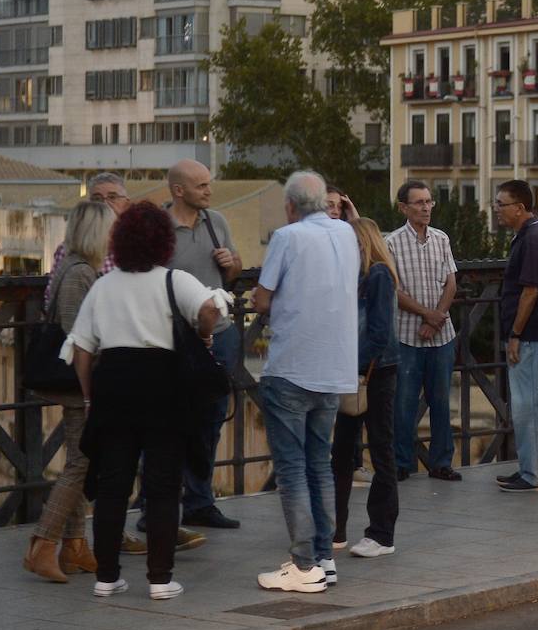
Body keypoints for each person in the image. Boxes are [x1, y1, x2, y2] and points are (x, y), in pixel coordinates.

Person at [63, 201, 223, 600]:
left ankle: (107, 576)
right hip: (162, 385)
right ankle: (160, 578)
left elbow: (82, 351)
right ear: (164, 242)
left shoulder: (104, 285)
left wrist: (88, 396)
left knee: (113, 482)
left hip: (114, 384)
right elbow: (209, 309)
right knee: (164, 482)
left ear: (120, 241)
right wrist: (203, 336)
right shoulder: (174, 281)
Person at [253, 170, 359, 593]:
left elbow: (262, 296)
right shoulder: (347, 235)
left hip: (291, 366)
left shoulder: (287, 237)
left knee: (293, 468)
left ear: (291, 206)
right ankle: (325, 558)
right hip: (333, 368)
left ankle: (302, 564)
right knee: (321, 465)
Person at [24, 201, 114, 584]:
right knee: (81, 463)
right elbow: (81, 336)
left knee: (81, 458)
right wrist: (93, 391)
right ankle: (43, 543)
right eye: (110, 228)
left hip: (78, 383)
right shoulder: (80, 273)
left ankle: (75, 545)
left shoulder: (73, 265)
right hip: (80, 384)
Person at [164, 159, 243, 531]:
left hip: (220, 334)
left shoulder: (217, 222)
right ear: (179, 190)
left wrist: (232, 263)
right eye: (201, 186)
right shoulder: (161, 229)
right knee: (167, 421)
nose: (209, 191)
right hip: (176, 339)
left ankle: (199, 502)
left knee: (211, 420)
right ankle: (156, 506)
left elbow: (235, 271)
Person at [330, 218, 400, 559]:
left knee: (380, 449)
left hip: (375, 373)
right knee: (342, 451)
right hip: (357, 372)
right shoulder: (360, 276)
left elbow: (379, 332)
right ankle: (337, 528)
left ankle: (381, 534)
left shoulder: (378, 275)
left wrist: (349, 361)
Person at [385, 181, 461, 482]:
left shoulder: (442, 239)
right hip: (406, 335)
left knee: (441, 401)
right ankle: (402, 462)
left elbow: (451, 283)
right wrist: (425, 314)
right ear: (404, 207)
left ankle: (441, 462)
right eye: (419, 202)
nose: (426, 207)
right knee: (403, 403)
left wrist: (436, 318)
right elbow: (394, 290)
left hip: (441, 335)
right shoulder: (391, 243)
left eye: (429, 201)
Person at [494, 180, 538, 493]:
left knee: (530, 406)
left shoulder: (533, 239)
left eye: (501, 204)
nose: (496, 209)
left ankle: (535, 475)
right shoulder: (531, 235)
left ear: (519, 208)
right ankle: (528, 468)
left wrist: (515, 334)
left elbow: (530, 291)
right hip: (533, 335)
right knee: (526, 406)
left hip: (533, 336)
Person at [44, 171, 127, 307]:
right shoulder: (69, 248)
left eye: (112, 197)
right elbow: (51, 299)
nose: (105, 204)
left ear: (126, 203)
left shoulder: (134, 247)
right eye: (97, 199)